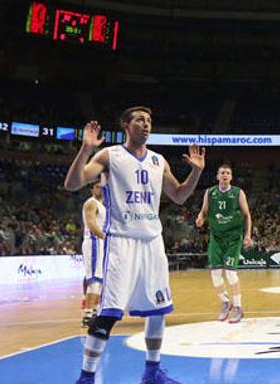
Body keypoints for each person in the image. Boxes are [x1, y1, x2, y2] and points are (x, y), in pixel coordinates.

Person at [65, 107, 205, 384]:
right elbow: (72, 183)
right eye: (140, 120)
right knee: (109, 313)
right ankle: (86, 377)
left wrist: (197, 173)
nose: (146, 124)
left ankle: (152, 372)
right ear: (126, 126)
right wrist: (85, 150)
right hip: (121, 242)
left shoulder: (158, 160)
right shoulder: (110, 155)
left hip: (152, 242)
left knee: (158, 309)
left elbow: (178, 195)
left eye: (150, 120)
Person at [195, 163, 252, 323]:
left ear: (231, 177)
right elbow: (204, 211)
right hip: (216, 237)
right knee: (215, 274)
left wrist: (247, 235)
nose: (225, 175)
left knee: (231, 273)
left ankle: (238, 308)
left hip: (233, 237)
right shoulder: (210, 192)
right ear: (218, 176)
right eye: (222, 173)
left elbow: (247, 215)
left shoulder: (238, 193)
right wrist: (201, 218)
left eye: (228, 173)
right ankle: (226, 302)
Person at [81, 181, 106, 327]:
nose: (100, 188)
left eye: (102, 186)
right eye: (97, 186)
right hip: (94, 242)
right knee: (95, 281)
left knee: (100, 282)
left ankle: (94, 313)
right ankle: (88, 315)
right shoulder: (91, 203)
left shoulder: (103, 205)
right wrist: (105, 237)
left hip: (100, 243)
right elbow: (91, 224)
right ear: (92, 189)